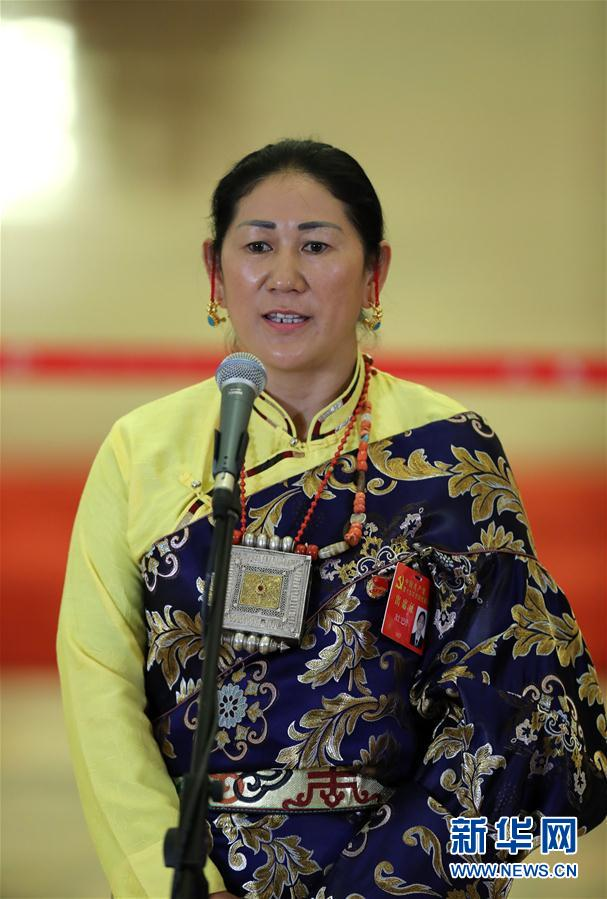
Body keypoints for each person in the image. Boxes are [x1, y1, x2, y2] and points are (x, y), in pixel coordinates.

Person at [57, 139, 607, 899]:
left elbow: (509, 708)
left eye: (316, 245)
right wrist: (174, 882)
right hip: (201, 874)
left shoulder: (451, 453)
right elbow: (100, 689)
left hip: (406, 873)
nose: (284, 275)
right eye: (258, 245)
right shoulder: (140, 450)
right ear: (215, 271)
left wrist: (394, 880)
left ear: (374, 272)